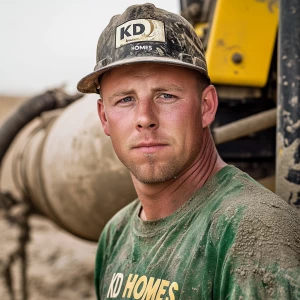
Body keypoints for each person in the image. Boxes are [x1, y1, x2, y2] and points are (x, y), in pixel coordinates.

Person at [77, 3, 300, 299]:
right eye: (125, 99)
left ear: (206, 107)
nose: (145, 117)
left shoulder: (253, 232)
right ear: (104, 117)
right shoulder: (115, 235)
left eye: (166, 95)